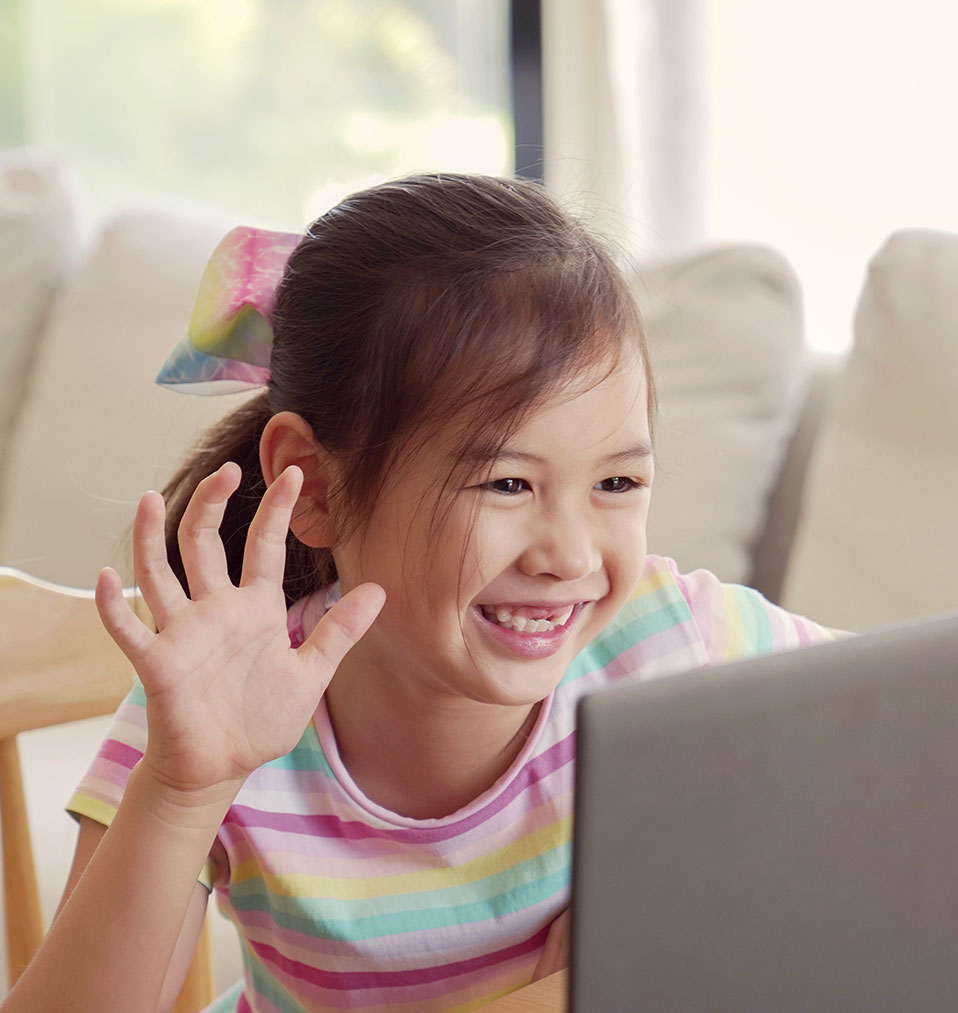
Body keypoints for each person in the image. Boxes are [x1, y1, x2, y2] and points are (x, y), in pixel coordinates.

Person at [3, 174, 835, 1012]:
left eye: (617, 481)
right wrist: (184, 793)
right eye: (507, 484)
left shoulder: (682, 642)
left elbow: (934, 748)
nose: (570, 553)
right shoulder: (218, 711)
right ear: (317, 488)